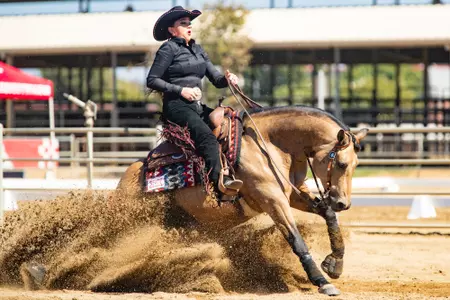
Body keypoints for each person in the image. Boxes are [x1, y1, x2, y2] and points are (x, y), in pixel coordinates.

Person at [147, 6, 243, 194]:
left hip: (196, 107)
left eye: (189, 24)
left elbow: (216, 80)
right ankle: (218, 186)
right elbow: (152, 80)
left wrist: (228, 79)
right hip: (176, 107)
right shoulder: (168, 49)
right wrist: (180, 90)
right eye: (183, 24)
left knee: (233, 125)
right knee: (207, 138)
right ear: (172, 30)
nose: (189, 27)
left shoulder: (198, 50)